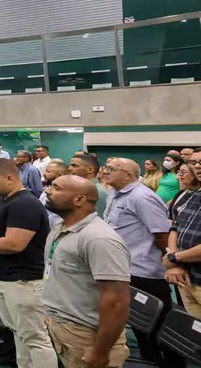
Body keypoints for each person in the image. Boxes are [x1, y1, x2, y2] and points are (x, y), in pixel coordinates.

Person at [42, 175, 131, 368]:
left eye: (56, 188)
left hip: (87, 336)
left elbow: (117, 300)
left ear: (80, 199)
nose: (48, 191)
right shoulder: (61, 227)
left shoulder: (99, 239)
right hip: (63, 327)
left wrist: (101, 351)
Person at [0, 158, 56, 368]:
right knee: (17, 331)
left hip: (23, 282)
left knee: (35, 338)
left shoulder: (25, 204)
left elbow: (14, 244)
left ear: (10, 178)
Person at [100, 157, 180, 367]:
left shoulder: (142, 197)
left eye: (111, 168)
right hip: (124, 269)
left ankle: (171, 364)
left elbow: (162, 234)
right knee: (139, 323)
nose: (105, 171)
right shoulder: (114, 193)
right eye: (106, 167)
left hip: (145, 272)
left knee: (160, 327)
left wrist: (171, 261)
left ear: (128, 175)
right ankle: (150, 361)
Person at [164, 160, 201, 319]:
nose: (197, 166)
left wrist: (174, 257)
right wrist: (174, 264)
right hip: (188, 277)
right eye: (196, 162)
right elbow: (175, 227)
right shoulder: (194, 194)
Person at [69, 153, 107, 218]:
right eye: (70, 165)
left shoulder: (98, 192)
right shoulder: (79, 188)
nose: (69, 168)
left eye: (74, 166)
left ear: (90, 170)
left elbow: (98, 220)